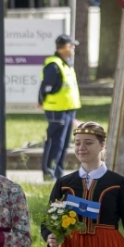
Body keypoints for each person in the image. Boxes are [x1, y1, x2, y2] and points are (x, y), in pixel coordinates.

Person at [38, 33, 82, 180]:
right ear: (64, 47)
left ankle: (58, 173)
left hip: (68, 109)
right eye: (71, 45)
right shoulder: (54, 65)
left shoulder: (65, 63)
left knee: (63, 143)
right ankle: (49, 173)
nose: (74, 48)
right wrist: (41, 100)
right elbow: (46, 86)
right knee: (55, 141)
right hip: (57, 110)